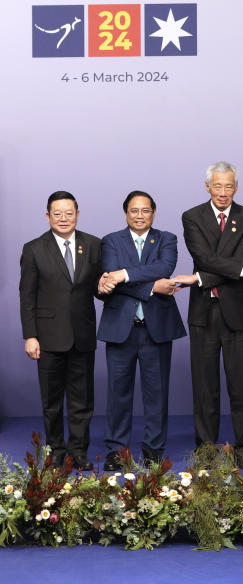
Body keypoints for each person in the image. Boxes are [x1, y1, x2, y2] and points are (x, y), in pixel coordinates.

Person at [174, 162, 243, 468]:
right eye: (218, 186)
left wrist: (200, 277)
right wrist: (242, 268)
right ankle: (205, 450)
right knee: (205, 388)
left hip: (237, 313)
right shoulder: (192, 216)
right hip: (203, 312)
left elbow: (229, 261)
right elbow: (203, 257)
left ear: (236, 187)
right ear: (207, 187)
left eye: (229, 186)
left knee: (241, 385)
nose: (223, 192)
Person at [97, 191, 186, 470]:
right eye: (134, 210)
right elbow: (110, 273)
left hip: (155, 328)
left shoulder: (167, 239)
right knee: (118, 393)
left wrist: (124, 275)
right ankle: (116, 450)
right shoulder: (111, 241)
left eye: (145, 210)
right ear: (126, 213)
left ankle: (153, 449)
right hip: (121, 328)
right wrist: (152, 286)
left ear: (153, 213)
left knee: (156, 393)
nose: (139, 215)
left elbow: (164, 266)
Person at [19, 191, 102, 469]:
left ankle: (79, 452)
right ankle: (56, 451)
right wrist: (30, 335)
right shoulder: (33, 249)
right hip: (48, 336)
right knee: (51, 401)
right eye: (57, 214)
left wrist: (106, 286)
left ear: (77, 214)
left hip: (82, 335)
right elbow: (27, 295)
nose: (64, 218)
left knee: (82, 401)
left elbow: (97, 288)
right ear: (48, 216)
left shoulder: (93, 245)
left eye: (69, 213)